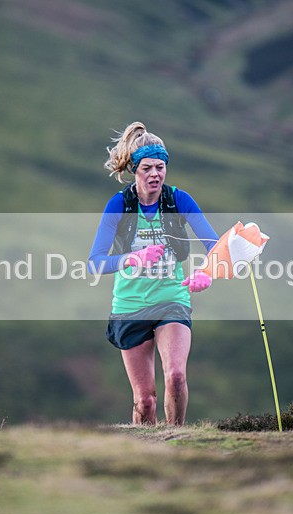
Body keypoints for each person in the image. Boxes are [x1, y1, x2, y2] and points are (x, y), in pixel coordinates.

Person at [88, 121, 218, 426]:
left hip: (171, 299)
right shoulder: (119, 205)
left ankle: (177, 440)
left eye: (160, 167)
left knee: (175, 376)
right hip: (130, 306)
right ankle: (148, 457)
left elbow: (214, 245)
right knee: (145, 401)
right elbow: (94, 263)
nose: (155, 174)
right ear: (134, 169)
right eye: (147, 168)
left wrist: (206, 273)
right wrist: (133, 258)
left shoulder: (178, 201)